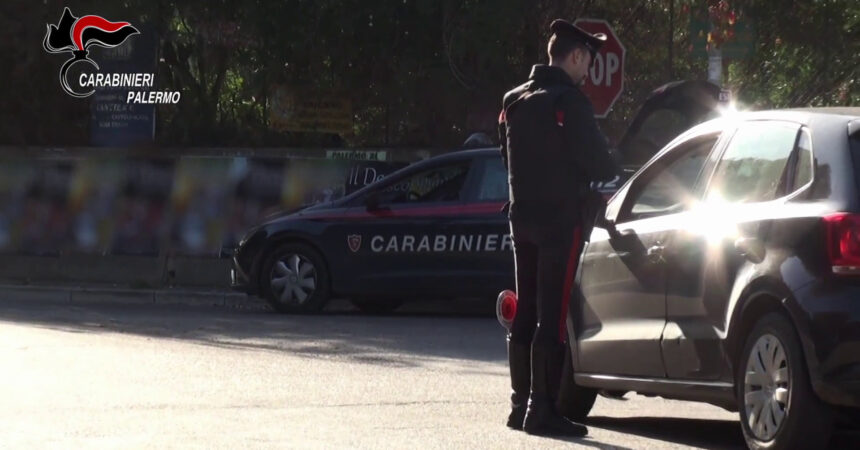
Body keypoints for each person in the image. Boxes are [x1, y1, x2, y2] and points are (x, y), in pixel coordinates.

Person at [498, 19, 619, 437]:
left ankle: (519, 405)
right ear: (575, 56)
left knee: (525, 312)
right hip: (559, 223)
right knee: (552, 316)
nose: (588, 71)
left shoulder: (514, 100)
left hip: (521, 218)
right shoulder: (570, 101)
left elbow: (506, 157)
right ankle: (542, 409)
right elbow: (601, 164)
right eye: (587, 60)